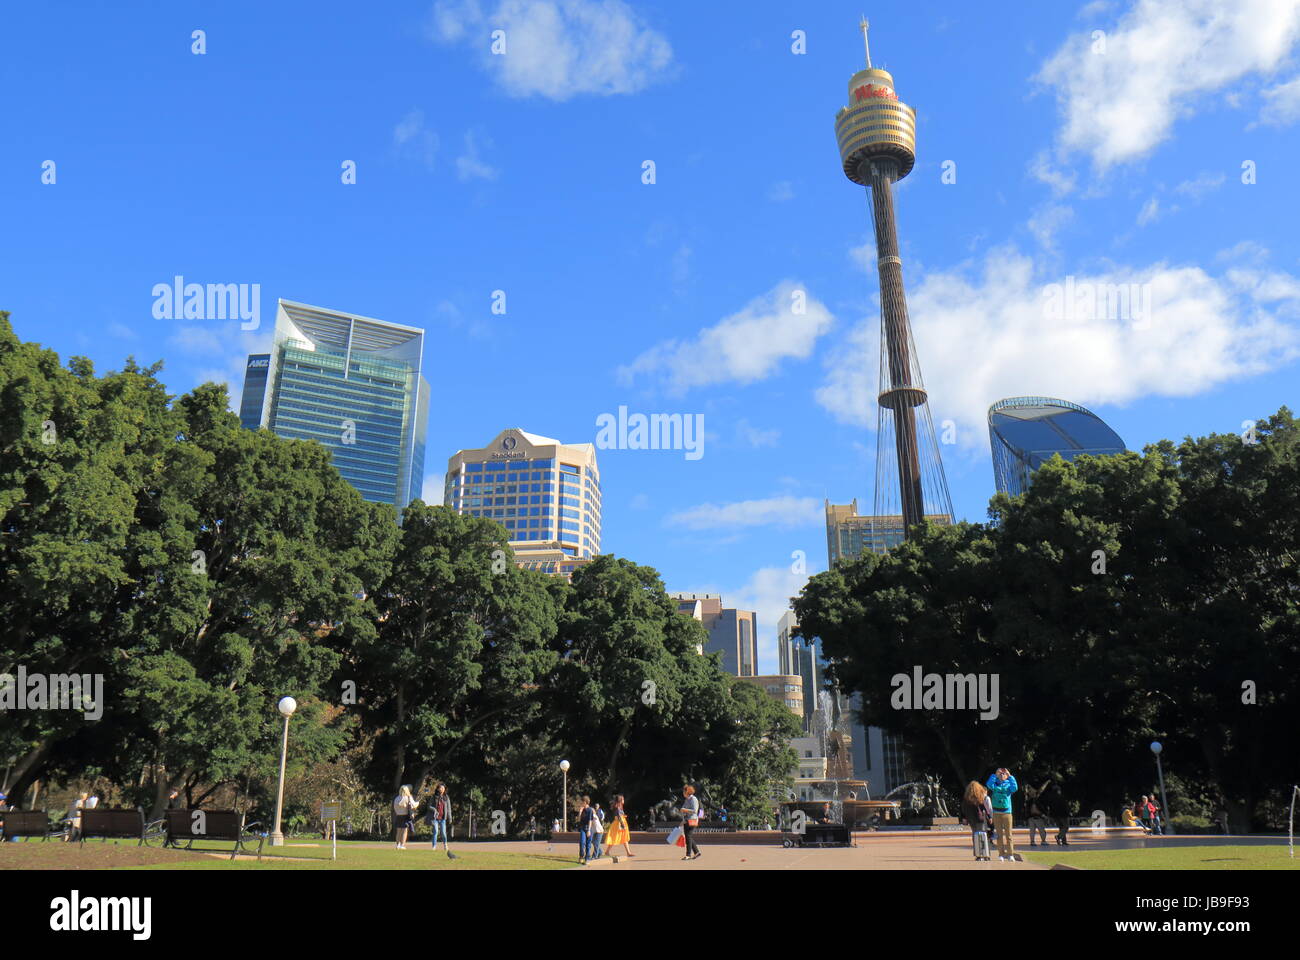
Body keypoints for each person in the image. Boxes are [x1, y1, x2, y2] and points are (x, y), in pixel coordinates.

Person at [985, 767, 1019, 861]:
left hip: (1007, 812)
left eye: (1004, 774)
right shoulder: (994, 784)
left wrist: (1010, 776)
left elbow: (1015, 788)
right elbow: (988, 784)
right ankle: (1001, 854)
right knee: (999, 835)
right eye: (1000, 774)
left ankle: (1010, 854)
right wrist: (994, 775)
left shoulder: (1009, 785)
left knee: (1009, 835)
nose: (1002, 775)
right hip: (996, 812)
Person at [961, 780, 992, 861]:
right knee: (984, 836)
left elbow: (963, 809)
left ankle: (978, 854)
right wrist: (989, 817)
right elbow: (984, 808)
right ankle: (986, 854)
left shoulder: (966, 799)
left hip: (972, 820)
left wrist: (964, 818)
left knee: (975, 836)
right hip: (980, 819)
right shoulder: (979, 798)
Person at [604, 794, 634, 862]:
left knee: (624, 837)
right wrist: (623, 824)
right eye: (623, 799)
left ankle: (628, 852)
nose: (624, 800)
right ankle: (607, 851)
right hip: (618, 824)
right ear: (620, 800)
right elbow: (619, 817)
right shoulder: (617, 807)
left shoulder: (620, 807)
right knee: (614, 837)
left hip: (621, 823)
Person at [426, 783, 452, 857]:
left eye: (443, 788)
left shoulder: (446, 797)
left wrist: (450, 818)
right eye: (441, 788)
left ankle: (445, 845)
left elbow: (449, 809)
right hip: (435, 818)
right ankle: (434, 846)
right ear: (438, 789)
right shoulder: (434, 797)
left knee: (443, 833)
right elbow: (429, 806)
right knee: (436, 832)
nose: (442, 789)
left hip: (443, 818)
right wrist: (434, 809)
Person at [392, 785, 418, 850]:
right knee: (404, 831)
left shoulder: (397, 798)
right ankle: (402, 845)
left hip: (398, 816)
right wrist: (418, 803)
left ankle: (398, 845)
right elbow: (413, 805)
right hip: (405, 816)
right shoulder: (408, 797)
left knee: (398, 831)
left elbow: (395, 808)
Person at [679, 784, 701, 861]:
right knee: (689, 837)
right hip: (687, 820)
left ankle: (688, 855)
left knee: (688, 837)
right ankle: (697, 852)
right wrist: (683, 819)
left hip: (692, 820)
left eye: (683, 792)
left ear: (687, 792)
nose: (683, 793)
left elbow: (694, 810)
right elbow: (684, 810)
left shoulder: (693, 799)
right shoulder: (687, 800)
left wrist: (684, 810)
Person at [1025, 782, 1049, 846]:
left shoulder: (1028, 801)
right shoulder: (1037, 800)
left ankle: (1032, 841)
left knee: (1032, 830)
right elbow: (1036, 809)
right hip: (1037, 817)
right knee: (1041, 830)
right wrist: (1043, 814)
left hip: (1031, 817)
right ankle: (1043, 841)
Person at [577, 796, 595, 864]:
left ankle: (587, 858)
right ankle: (581, 856)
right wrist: (580, 812)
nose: (581, 803)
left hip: (589, 828)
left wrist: (589, 830)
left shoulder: (590, 810)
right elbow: (578, 820)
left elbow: (590, 820)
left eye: (582, 802)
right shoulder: (582, 810)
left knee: (588, 844)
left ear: (585, 802)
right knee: (582, 842)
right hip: (582, 828)